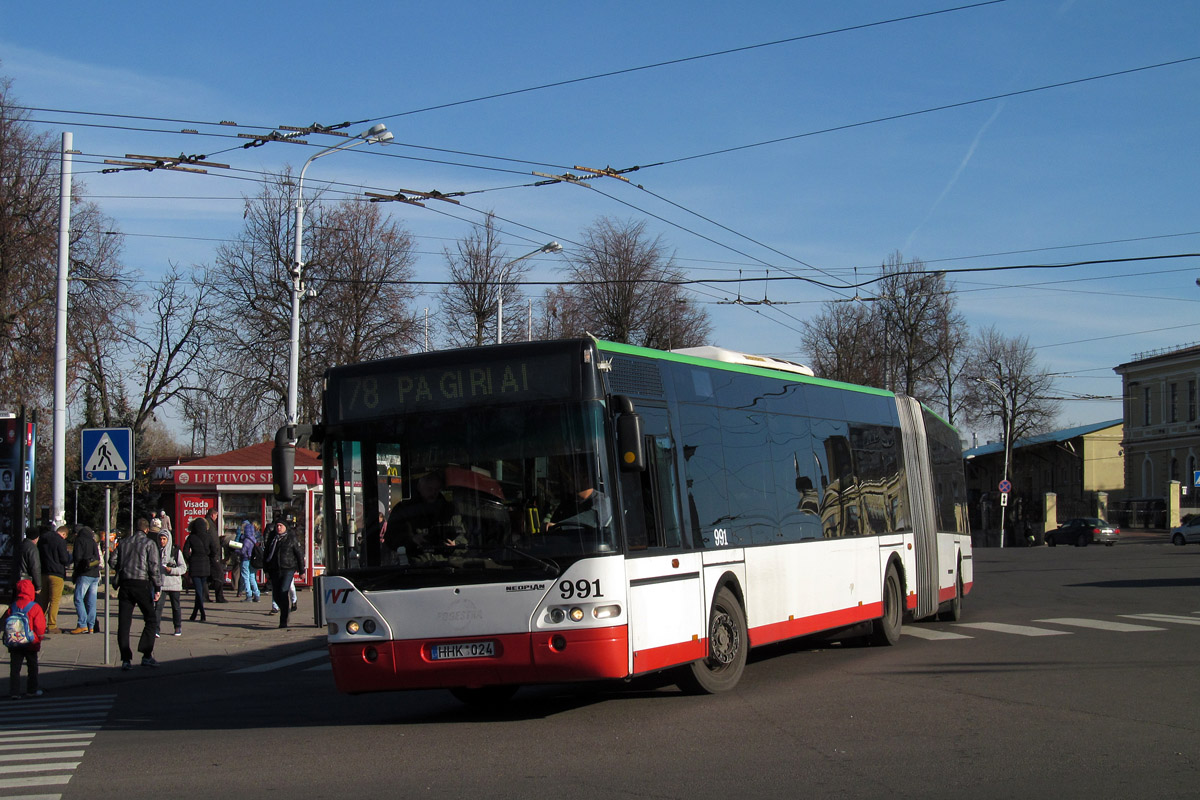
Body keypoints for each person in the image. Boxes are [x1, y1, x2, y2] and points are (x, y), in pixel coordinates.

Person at [112, 518, 162, 670]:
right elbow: (154, 566)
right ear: (147, 530)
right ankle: (146, 653)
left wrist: (121, 568)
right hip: (141, 583)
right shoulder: (149, 544)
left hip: (125, 584)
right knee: (151, 618)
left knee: (124, 622)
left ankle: (125, 659)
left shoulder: (124, 543)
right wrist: (157, 586)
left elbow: (112, 560)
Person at [384, 472, 466, 563]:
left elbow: (463, 539)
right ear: (419, 487)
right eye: (430, 489)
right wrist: (412, 540)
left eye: (437, 489)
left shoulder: (449, 511)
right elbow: (391, 540)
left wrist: (455, 545)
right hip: (415, 569)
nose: (434, 493)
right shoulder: (404, 510)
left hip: (444, 567)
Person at [3, 578, 46, 698]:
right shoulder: (34, 607)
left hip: (15, 642)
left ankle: (14, 692)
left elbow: (6, 622)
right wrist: (40, 638)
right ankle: (32, 690)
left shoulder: (13, 606)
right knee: (32, 667)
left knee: (15, 668)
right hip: (30, 642)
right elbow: (40, 626)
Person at [264, 518, 304, 628]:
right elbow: (267, 554)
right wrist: (266, 570)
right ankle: (285, 610)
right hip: (275, 569)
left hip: (288, 568)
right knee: (276, 595)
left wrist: (302, 571)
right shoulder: (273, 538)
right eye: (277, 526)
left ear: (285, 527)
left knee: (283, 591)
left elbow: (299, 554)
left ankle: (283, 620)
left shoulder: (291, 538)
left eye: (281, 526)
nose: (278, 528)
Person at [154, 522, 186, 637]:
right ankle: (156, 629)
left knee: (176, 607)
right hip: (161, 583)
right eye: (160, 539)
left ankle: (177, 627)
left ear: (168, 540)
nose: (162, 541)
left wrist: (171, 570)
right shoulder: (156, 551)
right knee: (158, 607)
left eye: (164, 539)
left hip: (174, 584)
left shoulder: (176, 552)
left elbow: (183, 568)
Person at [36, 524, 69, 634]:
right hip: (56, 574)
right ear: (63, 534)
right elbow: (64, 559)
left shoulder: (42, 539)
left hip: (43, 573)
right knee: (54, 601)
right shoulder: (60, 541)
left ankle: (37, 622)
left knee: (43, 600)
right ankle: (52, 625)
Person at [183, 512, 216, 622]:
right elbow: (214, 550)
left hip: (195, 565)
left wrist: (190, 560)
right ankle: (195, 614)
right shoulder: (208, 537)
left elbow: (185, 551)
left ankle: (202, 613)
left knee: (198, 590)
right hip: (205, 565)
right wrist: (209, 557)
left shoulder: (191, 537)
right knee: (200, 590)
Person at [68, 526, 101, 635]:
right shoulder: (93, 541)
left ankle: (82, 624)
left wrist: (76, 573)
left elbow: (77, 558)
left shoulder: (79, 541)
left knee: (78, 598)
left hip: (84, 574)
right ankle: (91, 626)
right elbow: (98, 559)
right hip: (95, 574)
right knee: (91, 601)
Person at [11, 525, 42, 602]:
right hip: (26, 582)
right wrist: (38, 586)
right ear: (36, 538)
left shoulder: (19, 546)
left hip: (16, 580)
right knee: (27, 604)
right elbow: (35, 568)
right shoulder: (32, 548)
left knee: (17, 603)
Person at [238, 518, 261, 603]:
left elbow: (243, 551)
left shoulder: (246, 540)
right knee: (252, 577)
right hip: (252, 560)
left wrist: (237, 550)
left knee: (246, 577)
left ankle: (248, 595)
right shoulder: (254, 539)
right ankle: (257, 594)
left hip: (246, 559)